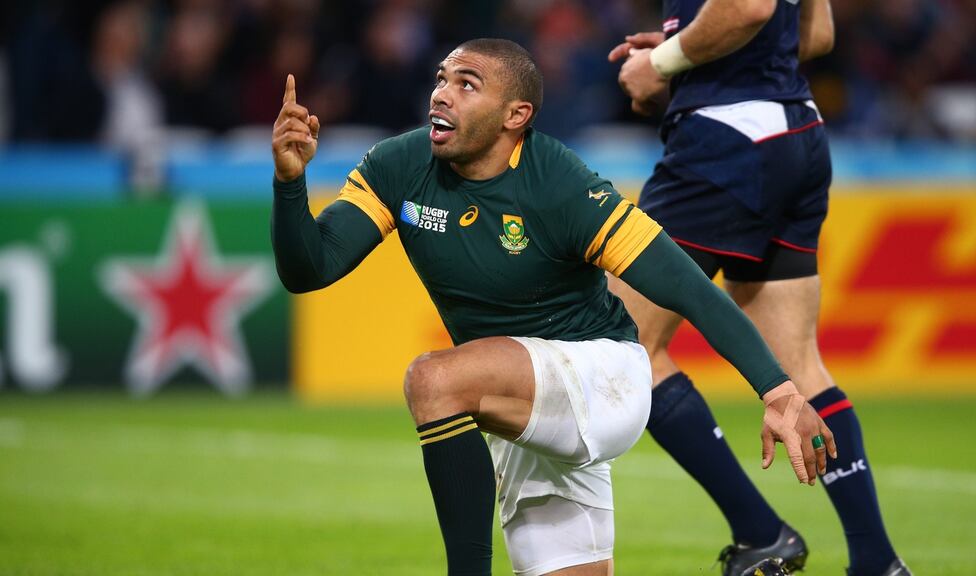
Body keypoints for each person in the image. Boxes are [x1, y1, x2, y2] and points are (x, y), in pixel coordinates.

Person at [271, 38, 834, 576]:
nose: (441, 94)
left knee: (434, 379)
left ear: (516, 116)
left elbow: (688, 288)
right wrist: (290, 183)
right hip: (521, 404)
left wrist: (778, 390)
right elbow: (310, 269)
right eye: (442, 79)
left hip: (600, 376)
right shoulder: (399, 165)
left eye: (467, 85)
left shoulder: (561, 185)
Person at [610, 1, 911, 575]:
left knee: (622, 346)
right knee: (800, 363)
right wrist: (696, 44)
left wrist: (667, 62)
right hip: (794, 128)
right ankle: (875, 560)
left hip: (725, 139)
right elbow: (815, 34)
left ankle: (760, 532)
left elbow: (746, 7)